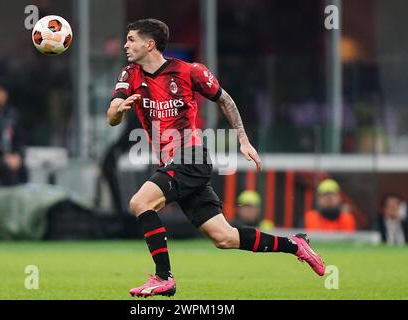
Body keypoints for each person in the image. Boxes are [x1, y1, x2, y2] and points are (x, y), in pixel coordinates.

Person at [107, 19, 325, 298]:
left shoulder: (188, 71)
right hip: (172, 164)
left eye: (131, 39)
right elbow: (112, 115)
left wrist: (243, 140)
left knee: (140, 202)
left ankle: (164, 277)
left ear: (149, 44)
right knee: (225, 237)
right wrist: (119, 110)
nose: (126, 45)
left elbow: (225, 100)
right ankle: (296, 244)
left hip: (191, 157)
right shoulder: (130, 74)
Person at [0, 83, 28, 186]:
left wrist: (18, 155)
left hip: (12, 154)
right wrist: (4, 157)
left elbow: (20, 138)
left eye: (2, 92)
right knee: (7, 170)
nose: (0, 95)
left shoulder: (12, 113)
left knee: (23, 169)